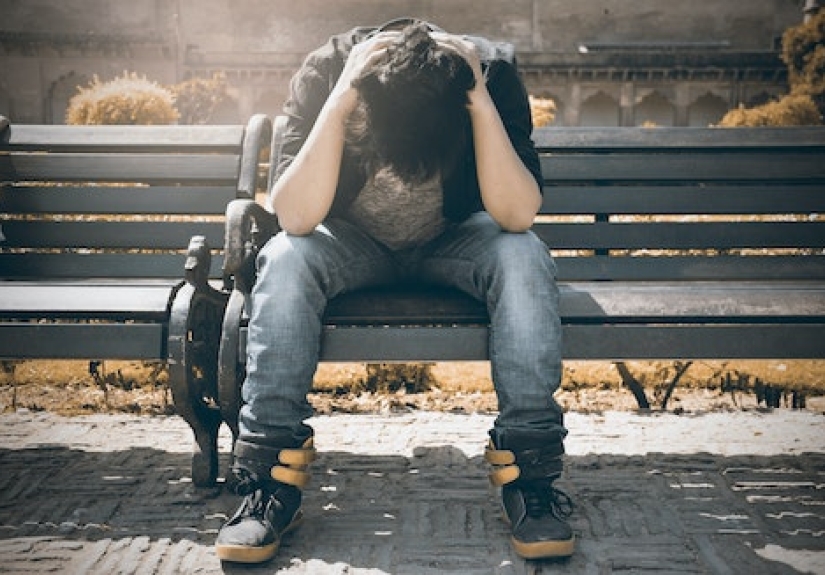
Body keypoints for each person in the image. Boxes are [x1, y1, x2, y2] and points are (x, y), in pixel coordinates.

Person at [215, 18, 574, 564]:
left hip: (455, 239)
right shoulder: (328, 72)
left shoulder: (490, 74)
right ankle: (267, 482)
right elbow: (294, 215)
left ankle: (530, 476)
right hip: (352, 242)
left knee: (523, 255)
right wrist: (340, 102)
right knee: (286, 259)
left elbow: (517, 213)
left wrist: (476, 101)